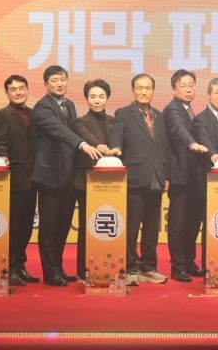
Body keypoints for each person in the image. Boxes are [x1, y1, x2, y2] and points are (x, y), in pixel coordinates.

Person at [32, 65, 103, 286]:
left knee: (62, 225)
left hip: (69, 176)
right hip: (49, 176)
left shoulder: (69, 105)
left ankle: (58, 268)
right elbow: (60, 131)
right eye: (54, 80)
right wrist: (82, 144)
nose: (59, 84)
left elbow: (75, 129)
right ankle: (49, 272)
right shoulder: (42, 108)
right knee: (49, 227)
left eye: (63, 79)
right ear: (46, 84)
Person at [109, 73, 170, 286]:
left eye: (148, 88)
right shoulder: (123, 113)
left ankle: (148, 267)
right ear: (133, 90)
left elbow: (165, 148)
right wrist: (115, 147)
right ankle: (130, 268)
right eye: (140, 88)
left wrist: (167, 175)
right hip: (134, 178)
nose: (144, 92)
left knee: (152, 228)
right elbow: (116, 134)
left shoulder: (160, 116)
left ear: (153, 90)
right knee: (131, 227)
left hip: (156, 177)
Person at [0, 75, 39, 286]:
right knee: (12, 226)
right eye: (13, 89)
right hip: (14, 178)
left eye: (21, 88)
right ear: (7, 93)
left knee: (26, 226)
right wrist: (2, 156)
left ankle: (20, 264)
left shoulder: (35, 114)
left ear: (27, 90)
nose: (18, 92)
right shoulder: (2, 115)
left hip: (34, 178)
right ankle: (8, 267)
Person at [162, 70, 208, 282]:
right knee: (178, 223)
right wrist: (192, 143)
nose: (188, 89)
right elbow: (179, 130)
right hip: (180, 176)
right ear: (174, 89)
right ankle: (177, 265)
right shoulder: (172, 109)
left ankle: (189, 261)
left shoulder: (189, 110)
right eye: (183, 85)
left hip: (194, 177)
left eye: (191, 85)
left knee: (193, 222)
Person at [190, 78, 218, 276]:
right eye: (217, 93)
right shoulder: (200, 119)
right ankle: (210, 268)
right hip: (209, 181)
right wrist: (213, 154)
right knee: (211, 225)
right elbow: (204, 138)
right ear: (208, 94)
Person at [72, 79, 115, 280]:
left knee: (110, 226)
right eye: (93, 97)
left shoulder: (114, 121)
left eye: (101, 96)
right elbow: (86, 136)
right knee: (87, 227)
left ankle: (110, 268)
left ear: (107, 98)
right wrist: (99, 145)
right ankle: (84, 271)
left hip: (113, 183)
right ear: (87, 99)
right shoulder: (80, 122)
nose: (97, 101)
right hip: (87, 182)